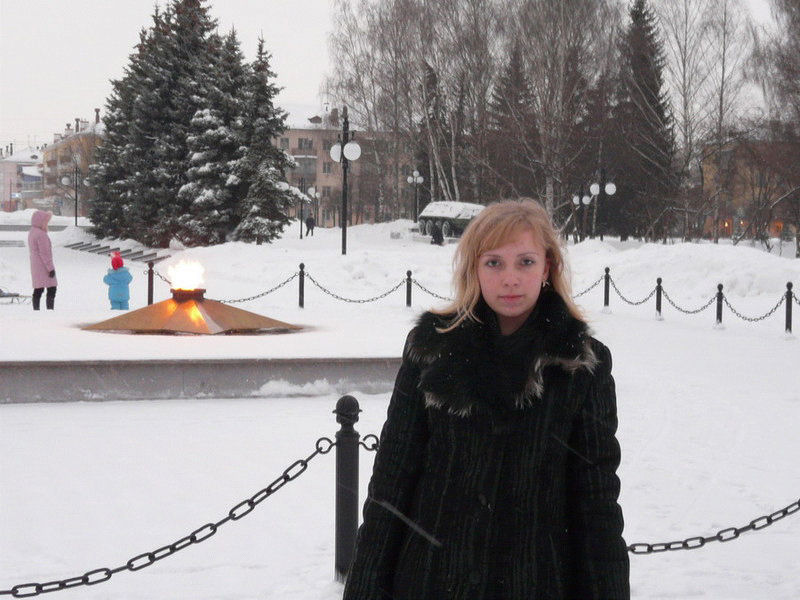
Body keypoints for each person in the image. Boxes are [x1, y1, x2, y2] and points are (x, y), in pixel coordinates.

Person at [343, 199, 629, 600]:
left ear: (547, 267)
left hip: (535, 582)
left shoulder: (580, 365)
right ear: (474, 268)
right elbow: (393, 479)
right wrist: (364, 588)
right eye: (494, 263)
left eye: (525, 262)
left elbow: (596, 503)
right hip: (431, 580)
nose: (510, 279)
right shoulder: (431, 349)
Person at [28, 209, 57, 310]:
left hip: (36, 265)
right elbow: (45, 253)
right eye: (46, 221)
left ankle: (36, 310)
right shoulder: (41, 234)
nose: (47, 223)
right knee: (52, 288)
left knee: (38, 288)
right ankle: (49, 310)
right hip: (44, 266)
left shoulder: (32, 232)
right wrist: (50, 268)